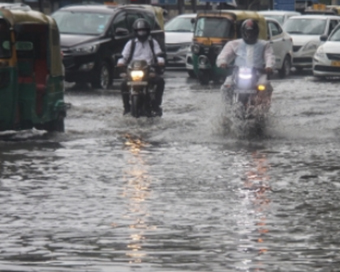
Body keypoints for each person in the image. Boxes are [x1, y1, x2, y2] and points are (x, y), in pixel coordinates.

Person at [216, 19, 275, 98]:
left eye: (251, 32)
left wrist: (269, 66)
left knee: (264, 86)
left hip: (258, 74)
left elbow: (269, 56)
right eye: (247, 32)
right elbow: (224, 55)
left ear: (256, 32)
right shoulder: (234, 44)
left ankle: (262, 108)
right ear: (243, 32)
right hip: (237, 74)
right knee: (226, 86)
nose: (249, 34)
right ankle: (227, 108)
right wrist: (223, 62)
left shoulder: (264, 44)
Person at [117, 18, 165, 116]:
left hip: (148, 70)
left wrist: (160, 61)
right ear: (135, 32)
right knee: (123, 85)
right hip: (133, 71)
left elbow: (159, 54)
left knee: (160, 81)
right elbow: (124, 56)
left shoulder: (153, 42)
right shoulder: (131, 43)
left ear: (148, 31)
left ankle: (156, 105)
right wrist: (121, 62)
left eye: (144, 30)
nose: (141, 33)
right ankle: (126, 108)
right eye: (139, 31)